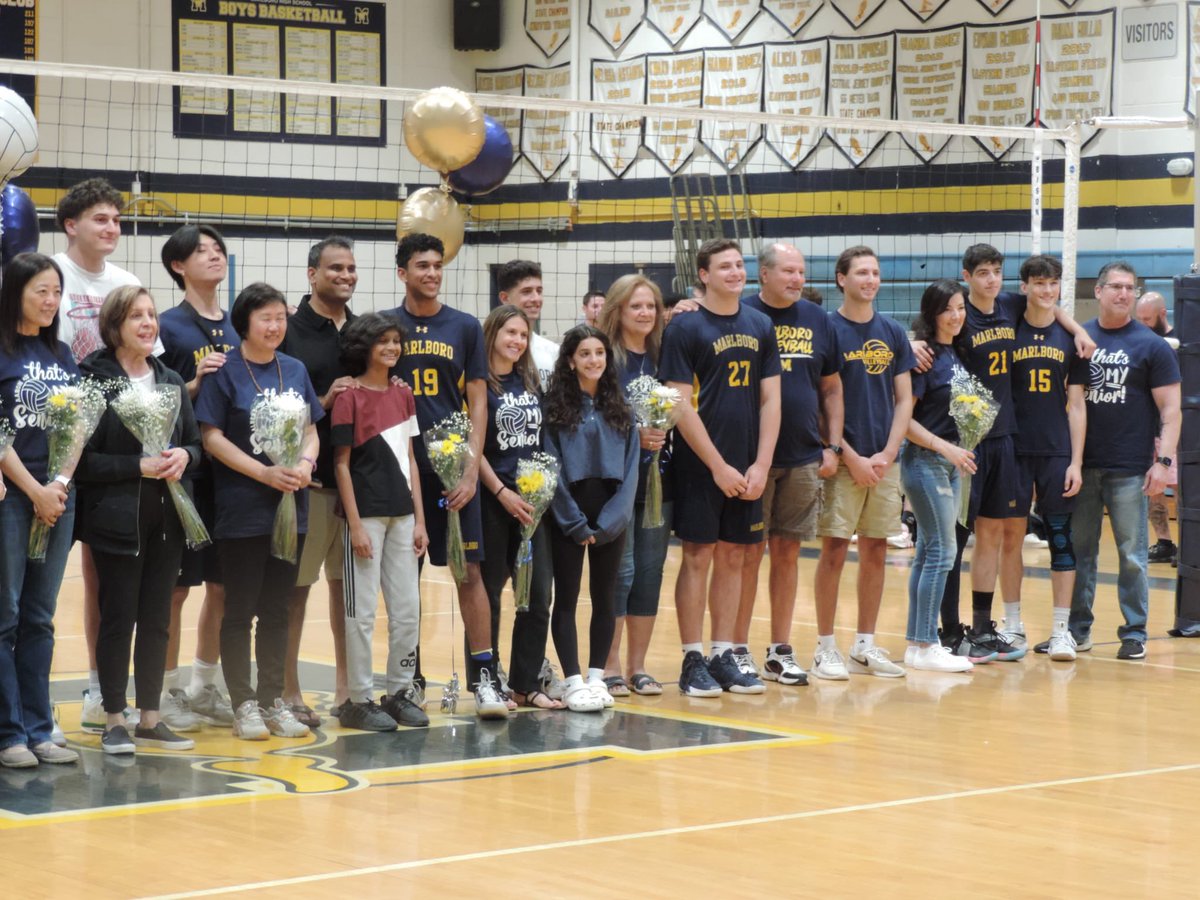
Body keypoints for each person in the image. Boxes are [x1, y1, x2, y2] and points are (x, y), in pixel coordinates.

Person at [943, 244, 1094, 661]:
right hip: (997, 445)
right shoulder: (997, 315)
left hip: (1051, 449)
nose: (1047, 290)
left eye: (1053, 284)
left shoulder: (1062, 334)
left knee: (1058, 537)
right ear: (1024, 286)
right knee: (1001, 536)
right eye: (1039, 283)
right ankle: (1005, 625)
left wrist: (1079, 329)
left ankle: (1061, 630)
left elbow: (1077, 403)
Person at [384, 233, 508, 719]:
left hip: (454, 467)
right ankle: (408, 680)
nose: (432, 273)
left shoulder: (464, 327)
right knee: (403, 577)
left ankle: (485, 677)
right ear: (402, 273)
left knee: (469, 571)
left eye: (437, 265)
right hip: (400, 467)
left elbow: (477, 399)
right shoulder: (385, 325)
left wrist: (473, 467)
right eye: (421, 265)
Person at [53, 178, 158, 740]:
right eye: (100, 219)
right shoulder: (49, 275)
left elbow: (150, 373)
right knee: (35, 583)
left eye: (116, 219)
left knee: (103, 576)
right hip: (49, 443)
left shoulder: (128, 283)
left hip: (113, 449)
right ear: (71, 225)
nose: (111, 228)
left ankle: (100, 688)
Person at [76, 286, 202, 754]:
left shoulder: (169, 379)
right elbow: (80, 461)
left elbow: (196, 444)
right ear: (114, 327)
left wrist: (183, 458)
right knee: (118, 617)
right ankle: (113, 718)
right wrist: (137, 466)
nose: (148, 323)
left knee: (157, 617)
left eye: (151, 315)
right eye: (136, 316)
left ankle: (151, 716)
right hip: (116, 518)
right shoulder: (95, 379)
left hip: (168, 514)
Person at [194, 282, 322, 739]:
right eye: (265, 318)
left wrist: (305, 463)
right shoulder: (224, 370)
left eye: (280, 318)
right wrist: (263, 474)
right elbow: (211, 439)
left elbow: (311, 429)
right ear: (244, 322)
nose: (275, 326)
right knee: (240, 607)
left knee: (278, 608)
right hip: (243, 509)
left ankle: (272, 701)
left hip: (293, 506)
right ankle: (243, 703)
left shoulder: (295, 368)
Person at [659, 238, 781, 696]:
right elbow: (678, 403)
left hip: (749, 463)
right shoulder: (685, 328)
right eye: (724, 266)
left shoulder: (760, 324)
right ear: (703, 275)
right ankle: (693, 658)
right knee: (698, 557)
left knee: (734, 557)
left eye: (739, 265)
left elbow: (771, 398)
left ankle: (724, 652)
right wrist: (717, 466)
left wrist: (762, 464)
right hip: (700, 464)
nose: (735, 272)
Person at [735, 243, 842, 686]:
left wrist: (832, 446)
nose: (798, 279)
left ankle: (779, 650)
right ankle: (734, 650)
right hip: (750, 459)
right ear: (763, 274)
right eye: (789, 271)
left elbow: (832, 388)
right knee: (745, 557)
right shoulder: (739, 314)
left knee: (787, 555)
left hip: (802, 456)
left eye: (801, 271)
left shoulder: (818, 319)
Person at [146, 224, 237, 734]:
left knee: (223, 585)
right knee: (176, 590)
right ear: (178, 265)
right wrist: (195, 383)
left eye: (219, 249)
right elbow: (152, 393)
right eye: (202, 251)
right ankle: (167, 688)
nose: (214, 256)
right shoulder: (166, 326)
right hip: (184, 471)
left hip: (231, 478)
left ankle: (207, 685)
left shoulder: (238, 322)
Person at [1068, 262, 1180, 660]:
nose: (1122, 294)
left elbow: (1171, 411)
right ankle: (1076, 630)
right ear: (1098, 292)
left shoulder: (1150, 345)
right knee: (1080, 553)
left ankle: (1134, 633)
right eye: (1114, 287)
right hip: (1083, 466)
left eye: (1129, 288)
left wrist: (1162, 462)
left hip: (1130, 468)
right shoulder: (1079, 337)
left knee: (1132, 556)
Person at [811, 245, 914, 680]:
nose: (870, 280)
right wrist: (847, 455)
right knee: (834, 549)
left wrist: (889, 453)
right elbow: (817, 400)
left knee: (875, 549)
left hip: (883, 461)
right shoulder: (827, 329)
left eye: (875, 272)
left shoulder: (892, 330)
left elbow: (905, 397)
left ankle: (865, 645)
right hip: (844, 459)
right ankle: (824, 647)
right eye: (861, 273)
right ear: (841, 279)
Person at [0, 253, 80, 767]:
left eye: (56, 292)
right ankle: (9, 732)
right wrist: (34, 489)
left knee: (40, 617)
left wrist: (59, 484)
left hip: (57, 497)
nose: (50, 301)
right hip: (14, 497)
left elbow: (77, 426)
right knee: (4, 616)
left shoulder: (64, 354)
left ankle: (39, 726)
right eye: (40, 292)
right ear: (15, 294)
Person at [331, 313, 429, 730]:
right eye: (382, 342)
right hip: (366, 518)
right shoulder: (348, 398)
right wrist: (354, 525)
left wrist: (421, 520)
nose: (391, 348)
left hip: (404, 517)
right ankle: (358, 699)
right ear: (364, 347)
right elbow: (340, 465)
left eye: (395, 341)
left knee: (408, 610)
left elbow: (410, 460)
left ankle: (401, 692)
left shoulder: (403, 395)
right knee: (362, 613)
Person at [280, 236, 359, 728]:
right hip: (306, 485)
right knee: (297, 590)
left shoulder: (365, 331)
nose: (345, 276)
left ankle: (349, 689)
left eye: (351, 268)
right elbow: (282, 408)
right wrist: (324, 400)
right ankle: (288, 689)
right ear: (312, 274)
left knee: (347, 593)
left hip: (355, 488)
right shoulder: (289, 331)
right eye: (335, 268)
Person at [543, 325, 639, 711]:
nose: (594, 360)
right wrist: (573, 521)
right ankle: (572, 680)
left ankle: (597, 678)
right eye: (585, 354)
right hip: (569, 514)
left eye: (599, 353)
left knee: (606, 597)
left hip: (610, 514)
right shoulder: (554, 409)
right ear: (570, 360)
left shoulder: (622, 407)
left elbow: (632, 469)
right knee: (565, 598)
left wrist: (613, 520)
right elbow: (549, 469)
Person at [476, 305, 560, 709]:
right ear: (492, 333)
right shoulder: (477, 384)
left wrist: (539, 491)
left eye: (523, 335)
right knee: (489, 593)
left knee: (537, 594)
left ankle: (526, 684)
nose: (517, 341)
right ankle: (488, 680)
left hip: (532, 505)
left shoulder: (530, 382)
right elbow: (472, 448)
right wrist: (500, 492)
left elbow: (542, 440)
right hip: (494, 502)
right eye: (510, 332)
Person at [598, 274, 673, 696]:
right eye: (636, 307)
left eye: (651, 306)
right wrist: (633, 433)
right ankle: (608, 665)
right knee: (620, 573)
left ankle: (638, 666)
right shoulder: (605, 356)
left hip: (661, 478)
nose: (645, 314)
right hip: (617, 482)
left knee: (649, 572)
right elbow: (588, 414)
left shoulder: (666, 354)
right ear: (618, 310)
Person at [900, 280, 976, 673]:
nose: (957, 315)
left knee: (930, 552)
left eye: (961, 307)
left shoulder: (954, 352)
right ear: (933, 313)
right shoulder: (924, 355)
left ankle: (917, 644)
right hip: (925, 461)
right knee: (943, 552)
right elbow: (904, 420)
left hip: (951, 461)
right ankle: (927, 642)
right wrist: (944, 447)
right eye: (949, 309)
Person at [1135, 292, 1178, 564]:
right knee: (1153, 487)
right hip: (1150, 427)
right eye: (1139, 320)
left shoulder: (1182, 338)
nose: (1144, 325)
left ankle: (1192, 546)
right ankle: (1164, 542)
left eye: (1148, 319)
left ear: (1162, 314)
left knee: (1187, 488)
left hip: (1178, 427)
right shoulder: (1143, 342)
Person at [498, 259, 558, 387]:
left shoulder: (553, 351)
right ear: (505, 298)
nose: (536, 298)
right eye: (526, 292)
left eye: (539, 291)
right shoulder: (487, 348)